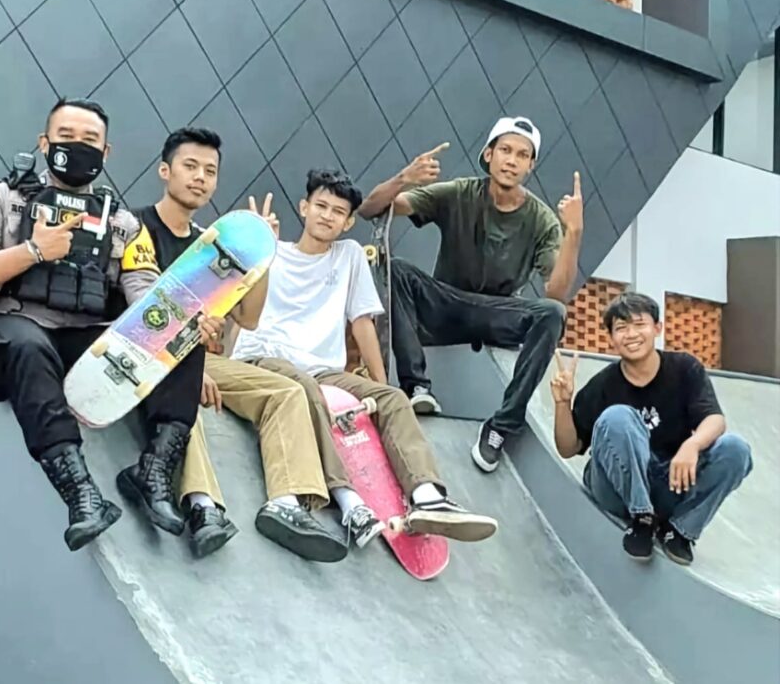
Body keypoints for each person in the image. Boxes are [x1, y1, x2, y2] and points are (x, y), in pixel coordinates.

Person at [0, 99, 214, 552]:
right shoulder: (3, 199)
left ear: (106, 152)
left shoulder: (123, 224)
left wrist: (186, 323)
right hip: (9, 332)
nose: (77, 146)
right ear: (44, 143)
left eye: (89, 140)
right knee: (27, 343)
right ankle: (80, 493)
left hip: (83, 340)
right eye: (66, 136)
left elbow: (144, 290)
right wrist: (32, 251)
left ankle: (153, 471)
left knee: (181, 335)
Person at [230, 168, 499, 546]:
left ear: (348, 222)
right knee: (303, 387)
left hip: (321, 368)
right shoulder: (274, 252)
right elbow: (237, 314)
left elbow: (363, 324)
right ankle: (347, 498)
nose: (327, 216)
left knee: (393, 398)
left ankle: (427, 497)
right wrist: (258, 249)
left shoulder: (350, 256)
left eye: (338, 212)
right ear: (304, 208)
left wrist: (380, 387)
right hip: (266, 357)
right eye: (321, 206)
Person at [148, 128, 348, 561]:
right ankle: (202, 505)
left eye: (210, 171)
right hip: (151, 357)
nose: (200, 177)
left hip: (201, 359)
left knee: (287, 392)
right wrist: (189, 368)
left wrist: (262, 255)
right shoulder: (136, 228)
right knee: (182, 392)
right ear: (165, 170)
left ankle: (287, 503)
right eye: (190, 166)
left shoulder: (211, 246)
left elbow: (249, 316)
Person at [359, 116, 584, 474]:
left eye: (522, 155)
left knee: (552, 313)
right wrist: (404, 178)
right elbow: (370, 210)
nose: (512, 161)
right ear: (489, 154)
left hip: (497, 314)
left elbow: (555, 292)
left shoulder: (541, 219)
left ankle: (502, 426)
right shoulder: (460, 192)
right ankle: (416, 387)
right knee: (398, 270)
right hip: (446, 304)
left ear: (530, 165)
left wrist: (574, 233)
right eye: (505, 150)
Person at [551, 293, 752, 565]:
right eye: (621, 328)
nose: (631, 334)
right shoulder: (603, 385)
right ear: (611, 338)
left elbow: (714, 419)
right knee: (617, 417)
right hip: (616, 489)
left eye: (639, 325)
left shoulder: (684, 368)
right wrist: (562, 403)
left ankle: (679, 531)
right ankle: (642, 518)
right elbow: (568, 448)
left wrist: (692, 445)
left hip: (669, 483)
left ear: (657, 328)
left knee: (736, 449)